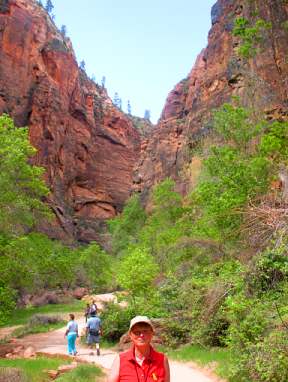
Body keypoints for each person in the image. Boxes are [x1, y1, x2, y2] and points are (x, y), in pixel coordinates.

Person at [107, 315, 170, 382]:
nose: (141, 335)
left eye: (145, 331)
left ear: (152, 333)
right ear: (130, 335)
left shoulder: (162, 360)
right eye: (137, 332)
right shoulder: (120, 359)